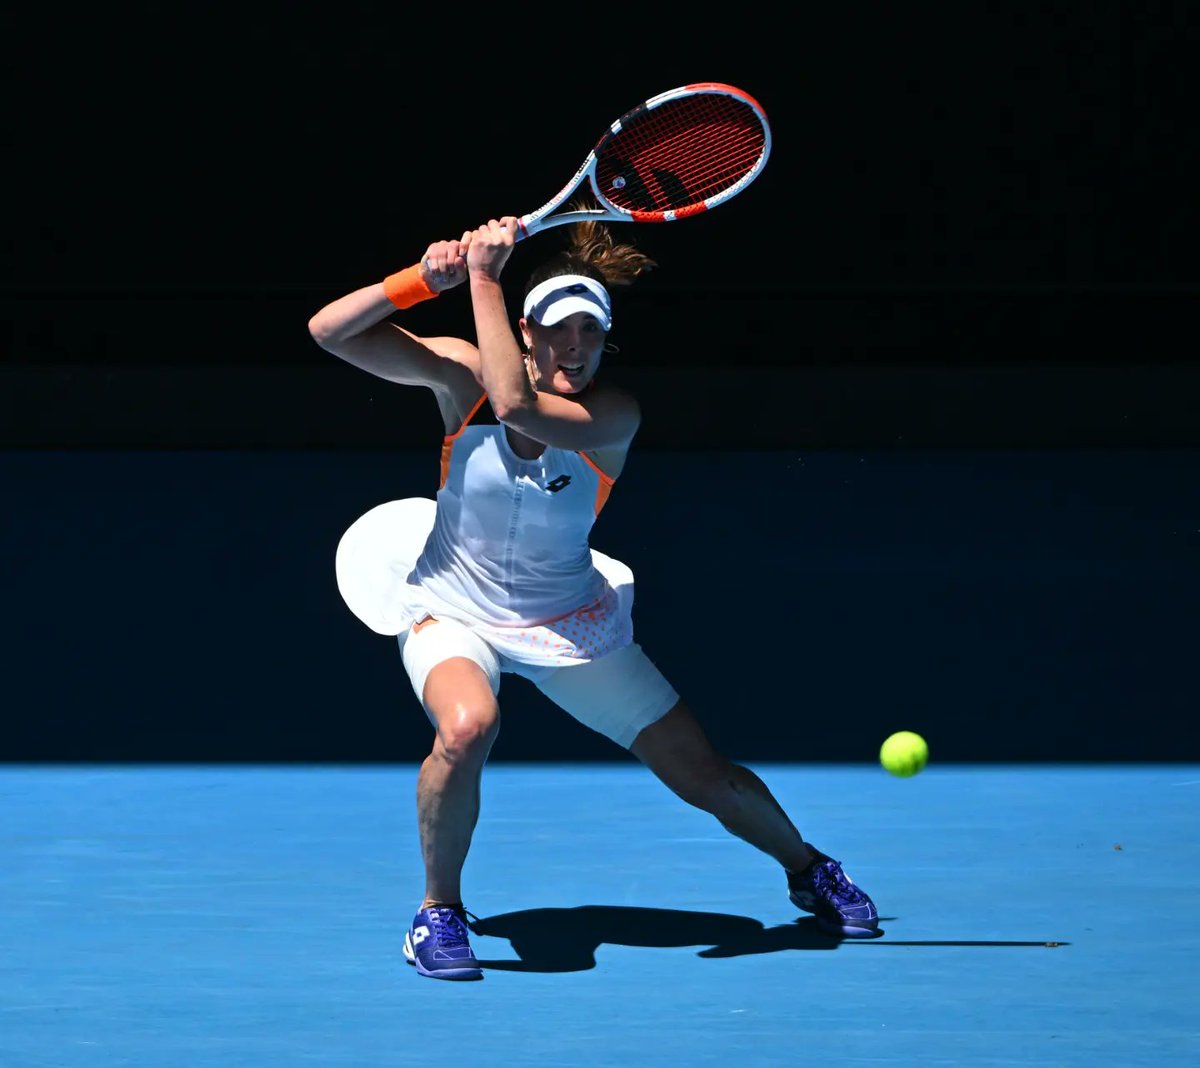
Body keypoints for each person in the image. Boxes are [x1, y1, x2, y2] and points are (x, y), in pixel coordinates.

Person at [307, 212, 879, 981]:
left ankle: (809, 868)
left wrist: (481, 273)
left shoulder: (611, 416)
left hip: (569, 622)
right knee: (466, 728)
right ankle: (437, 912)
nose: (575, 347)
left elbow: (515, 407)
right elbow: (329, 331)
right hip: (452, 605)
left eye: (591, 333)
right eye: (557, 331)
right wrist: (421, 281)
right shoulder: (461, 378)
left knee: (701, 772)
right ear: (525, 332)